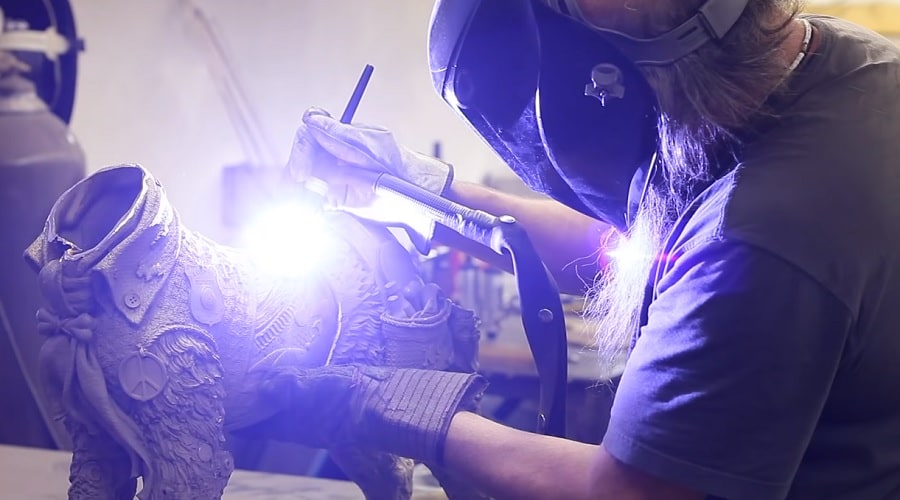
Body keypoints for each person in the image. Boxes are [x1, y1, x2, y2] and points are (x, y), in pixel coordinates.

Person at [271, 0, 900, 498]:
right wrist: (418, 191)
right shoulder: (836, 67)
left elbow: (626, 492)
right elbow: (653, 255)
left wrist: (396, 406)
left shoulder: (767, 229)